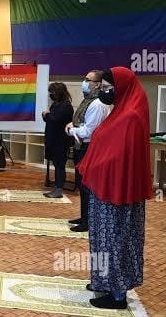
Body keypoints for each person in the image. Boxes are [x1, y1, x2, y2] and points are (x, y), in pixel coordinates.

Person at [77, 67, 153, 309]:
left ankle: (117, 295)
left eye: (109, 88)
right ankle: (102, 281)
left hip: (119, 194)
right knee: (101, 239)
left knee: (116, 241)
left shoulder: (131, 117)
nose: (105, 92)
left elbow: (120, 158)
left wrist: (97, 163)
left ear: (123, 88)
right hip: (105, 190)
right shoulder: (120, 112)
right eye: (104, 87)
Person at [64, 70, 112, 232]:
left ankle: (89, 222)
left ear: (97, 84)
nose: (84, 82)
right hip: (83, 146)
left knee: (87, 186)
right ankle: (84, 217)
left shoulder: (98, 104)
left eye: (88, 80)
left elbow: (88, 131)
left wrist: (71, 130)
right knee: (82, 184)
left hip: (89, 147)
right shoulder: (88, 101)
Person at [41, 82, 74, 198]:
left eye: (53, 92)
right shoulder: (56, 104)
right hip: (53, 139)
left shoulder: (66, 106)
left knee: (60, 165)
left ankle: (59, 189)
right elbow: (50, 119)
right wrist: (46, 115)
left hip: (60, 141)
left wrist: (46, 115)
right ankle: (57, 187)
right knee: (56, 164)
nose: (51, 95)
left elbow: (55, 119)